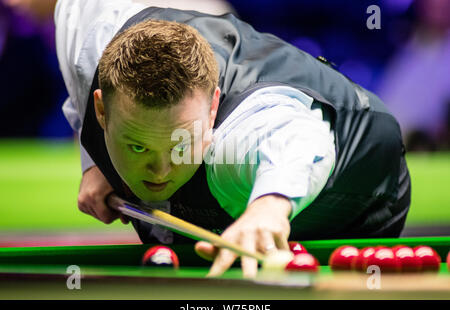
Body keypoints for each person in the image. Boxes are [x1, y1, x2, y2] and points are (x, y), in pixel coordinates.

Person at [55, 0, 411, 278]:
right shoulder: (88, 44)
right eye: (138, 145)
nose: (160, 169)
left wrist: (269, 207)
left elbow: (300, 142)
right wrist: (96, 162)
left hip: (363, 182)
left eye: (180, 144)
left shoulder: (239, 143)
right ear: (103, 110)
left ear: (211, 110)